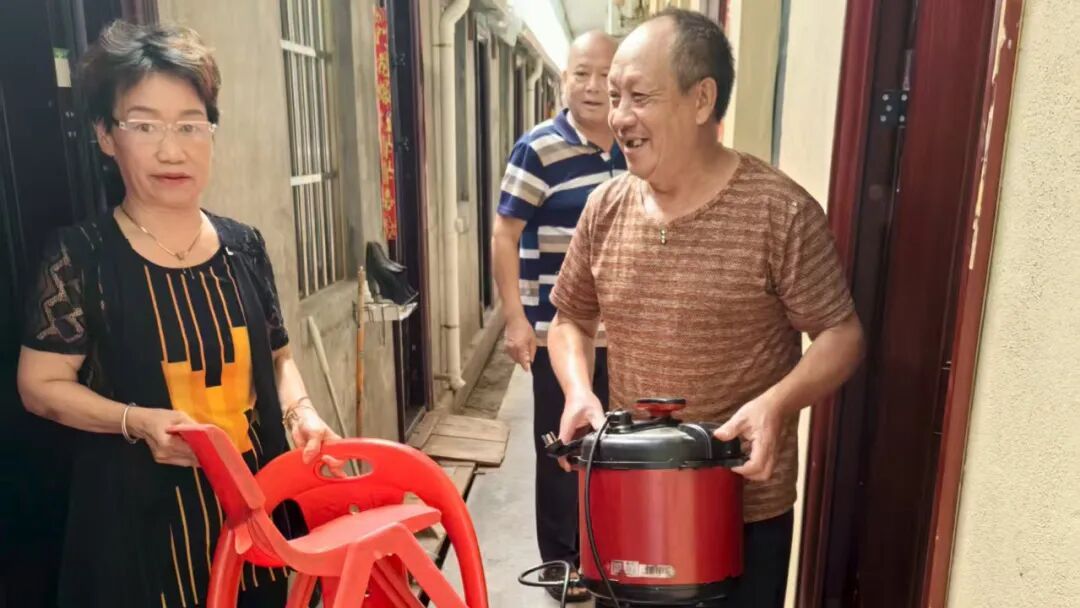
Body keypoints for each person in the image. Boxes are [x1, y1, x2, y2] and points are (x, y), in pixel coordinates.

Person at [16, 22, 340, 608]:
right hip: (139, 539)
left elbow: (278, 358)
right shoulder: (81, 256)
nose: (172, 150)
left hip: (255, 519)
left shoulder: (244, 245)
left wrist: (303, 412)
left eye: (190, 125)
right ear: (106, 135)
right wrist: (136, 421)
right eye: (144, 125)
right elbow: (40, 386)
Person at [549, 9, 865, 607]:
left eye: (640, 96)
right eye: (615, 97)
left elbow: (840, 335)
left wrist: (776, 405)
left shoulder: (780, 213)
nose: (619, 117)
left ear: (702, 100)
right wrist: (578, 391)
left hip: (743, 512)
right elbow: (571, 318)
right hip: (630, 501)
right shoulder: (605, 208)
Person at [492, 30, 623, 602]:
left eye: (605, 75)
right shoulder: (538, 149)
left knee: (616, 450)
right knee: (561, 454)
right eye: (581, 74)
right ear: (563, 80)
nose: (592, 86)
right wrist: (515, 319)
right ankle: (562, 565)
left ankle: (609, 556)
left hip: (625, 337)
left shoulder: (637, 144)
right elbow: (505, 233)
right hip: (558, 335)